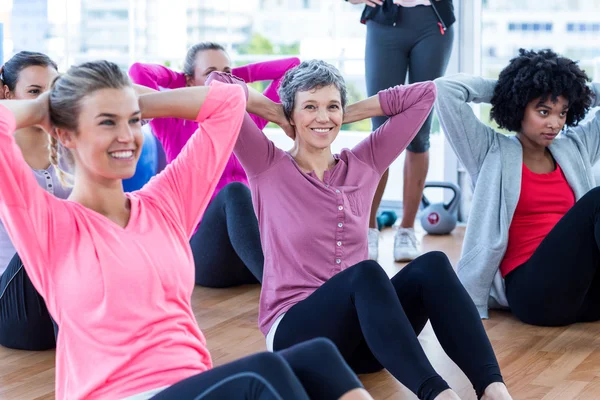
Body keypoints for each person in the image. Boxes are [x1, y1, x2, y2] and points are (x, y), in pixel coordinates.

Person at [0, 60, 372, 400]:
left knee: (319, 356)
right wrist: (43, 109)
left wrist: (134, 103)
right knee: (265, 374)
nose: (127, 136)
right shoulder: (50, 223)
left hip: (194, 384)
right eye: (106, 122)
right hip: (118, 393)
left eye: (133, 120)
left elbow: (227, 102)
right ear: (66, 134)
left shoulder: (164, 203)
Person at [207, 61, 512, 400]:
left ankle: (493, 389)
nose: (323, 117)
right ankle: (438, 395)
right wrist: (278, 113)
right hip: (297, 335)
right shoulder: (267, 165)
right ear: (292, 113)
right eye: (310, 107)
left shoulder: (364, 162)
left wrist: (345, 114)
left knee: (433, 266)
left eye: (331, 106)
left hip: (365, 341)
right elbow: (217, 86)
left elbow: (425, 94)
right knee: (364, 274)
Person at [434, 48, 600, 326]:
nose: (555, 123)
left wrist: (573, 92)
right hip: (536, 294)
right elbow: (445, 90)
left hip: (584, 295)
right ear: (519, 106)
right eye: (543, 111)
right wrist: (511, 89)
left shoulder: (575, 148)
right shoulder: (489, 151)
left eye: (562, 113)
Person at [129, 42, 300, 287]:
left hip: (252, 250)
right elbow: (138, 71)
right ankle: (283, 292)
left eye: (227, 72)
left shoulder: (247, 119)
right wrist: (183, 81)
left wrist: (231, 81)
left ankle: (289, 282)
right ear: (189, 81)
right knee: (235, 193)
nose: (220, 79)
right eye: (210, 73)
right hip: (206, 255)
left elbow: (292, 66)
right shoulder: (172, 121)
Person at [346, 0, 455, 261]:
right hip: (384, 23)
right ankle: (368, 230)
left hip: (433, 22)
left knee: (419, 131)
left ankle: (406, 230)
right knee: (380, 130)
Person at [0, 51, 66, 351]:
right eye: (35, 93)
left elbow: (131, 97)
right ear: (7, 94)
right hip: (13, 307)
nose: (45, 103)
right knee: (43, 233)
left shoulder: (71, 144)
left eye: (53, 90)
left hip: (63, 300)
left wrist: (81, 88)